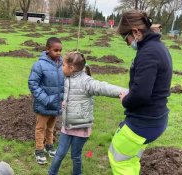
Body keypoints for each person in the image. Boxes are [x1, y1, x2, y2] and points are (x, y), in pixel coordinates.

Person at [108, 10, 172, 175]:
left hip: (144, 122)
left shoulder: (148, 53)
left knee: (118, 158)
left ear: (135, 32)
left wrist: (125, 100)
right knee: (130, 159)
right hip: (155, 119)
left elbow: (141, 94)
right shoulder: (158, 47)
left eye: (125, 39)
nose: (127, 43)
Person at [48, 52, 127, 175]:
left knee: (75, 156)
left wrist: (126, 92)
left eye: (63, 65)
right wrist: (65, 103)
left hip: (81, 128)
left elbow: (103, 87)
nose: (61, 67)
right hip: (67, 126)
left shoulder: (86, 82)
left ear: (72, 68)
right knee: (59, 153)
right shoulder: (68, 78)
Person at [28, 37, 64, 165]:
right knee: (40, 128)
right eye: (56, 50)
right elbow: (33, 83)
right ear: (47, 49)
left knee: (51, 127)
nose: (59, 53)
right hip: (44, 104)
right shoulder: (39, 65)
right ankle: (39, 150)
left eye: (60, 50)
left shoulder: (63, 64)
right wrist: (45, 99)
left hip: (56, 104)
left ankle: (49, 145)